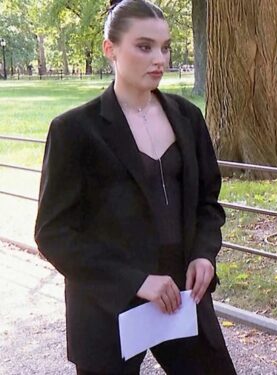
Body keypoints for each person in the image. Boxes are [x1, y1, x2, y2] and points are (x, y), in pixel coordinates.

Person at [34, 1, 236, 373]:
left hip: (183, 297)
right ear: (110, 49)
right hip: (107, 306)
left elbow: (208, 202)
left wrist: (205, 254)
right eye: (144, 47)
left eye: (165, 47)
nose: (159, 58)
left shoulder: (188, 117)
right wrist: (136, 282)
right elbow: (53, 233)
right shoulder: (74, 131)